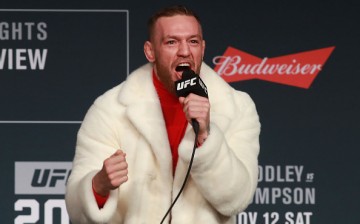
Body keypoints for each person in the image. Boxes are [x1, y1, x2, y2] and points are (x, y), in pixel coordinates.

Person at [65, 5, 260, 224]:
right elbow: (76, 210)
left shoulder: (236, 107)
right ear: (150, 51)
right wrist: (98, 186)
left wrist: (205, 137)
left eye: (193, 41)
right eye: (171, 42)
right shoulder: (110, 110)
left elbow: (237, 199)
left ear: (203, 48)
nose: (185, 51)